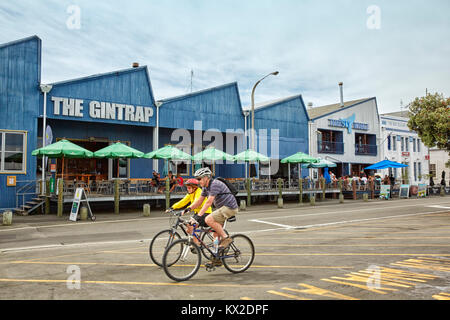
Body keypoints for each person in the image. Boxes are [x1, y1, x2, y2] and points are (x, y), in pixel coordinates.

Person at [187, 167, 238, 265]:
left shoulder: (214, 184)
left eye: (199, 179)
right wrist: (188, 209)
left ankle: (226, 238)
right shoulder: (206, 187)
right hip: (221, 209)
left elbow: (208, 202)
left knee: (208, 219)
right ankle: (217, 258)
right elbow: (200, 201)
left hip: (229, 207)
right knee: (215, 235)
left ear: (206, 178)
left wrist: (197, 217)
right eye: (197, 179)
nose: (198, 181)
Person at [166, 178, 211, 246]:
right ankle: (197, 240)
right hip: (197, 213)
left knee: (191, 227)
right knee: (189, 230)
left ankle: (197, 245)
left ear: (194, 187)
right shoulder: (190, 193)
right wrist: (172, 207)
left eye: (189, 188)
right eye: (187, 188)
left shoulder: (199, 192)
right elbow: (183, 201)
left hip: (205, 213)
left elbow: (196, 203)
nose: (188, 189)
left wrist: (187, 209)